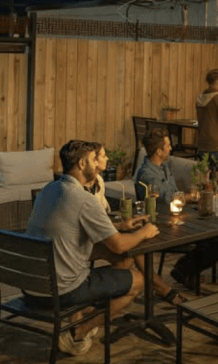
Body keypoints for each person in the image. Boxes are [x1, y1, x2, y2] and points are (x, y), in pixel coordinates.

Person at [27, 140, 158, 356]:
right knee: (138, 280)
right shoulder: (83, 198)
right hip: (59, 292)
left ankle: (85, 311)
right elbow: (118, 245)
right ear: (81, 164)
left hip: (31, 287)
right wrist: (145, 232)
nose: (97, 164)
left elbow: (73, 225)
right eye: (93, 160)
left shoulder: (49, 189)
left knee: (121, 262)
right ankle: (79, 330)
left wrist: (118, 226)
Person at [87, 141, 183, 307]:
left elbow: (101, 217)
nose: (107, 158)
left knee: (125, 259)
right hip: (86, 241)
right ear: (91, 161)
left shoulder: (99, 182)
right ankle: (159, 286)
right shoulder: (81, 191)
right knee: (131, 244)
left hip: (100, 232)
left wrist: (121, 226)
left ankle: (113, 297)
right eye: (103, 155)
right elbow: (93, 224)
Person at [135, 127, 177, 206]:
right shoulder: (146, 174)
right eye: (168, 146)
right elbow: (165, 200)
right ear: (159, 151)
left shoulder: (164, 167)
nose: (171, 148)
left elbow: (175, 192)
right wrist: (189, 196)